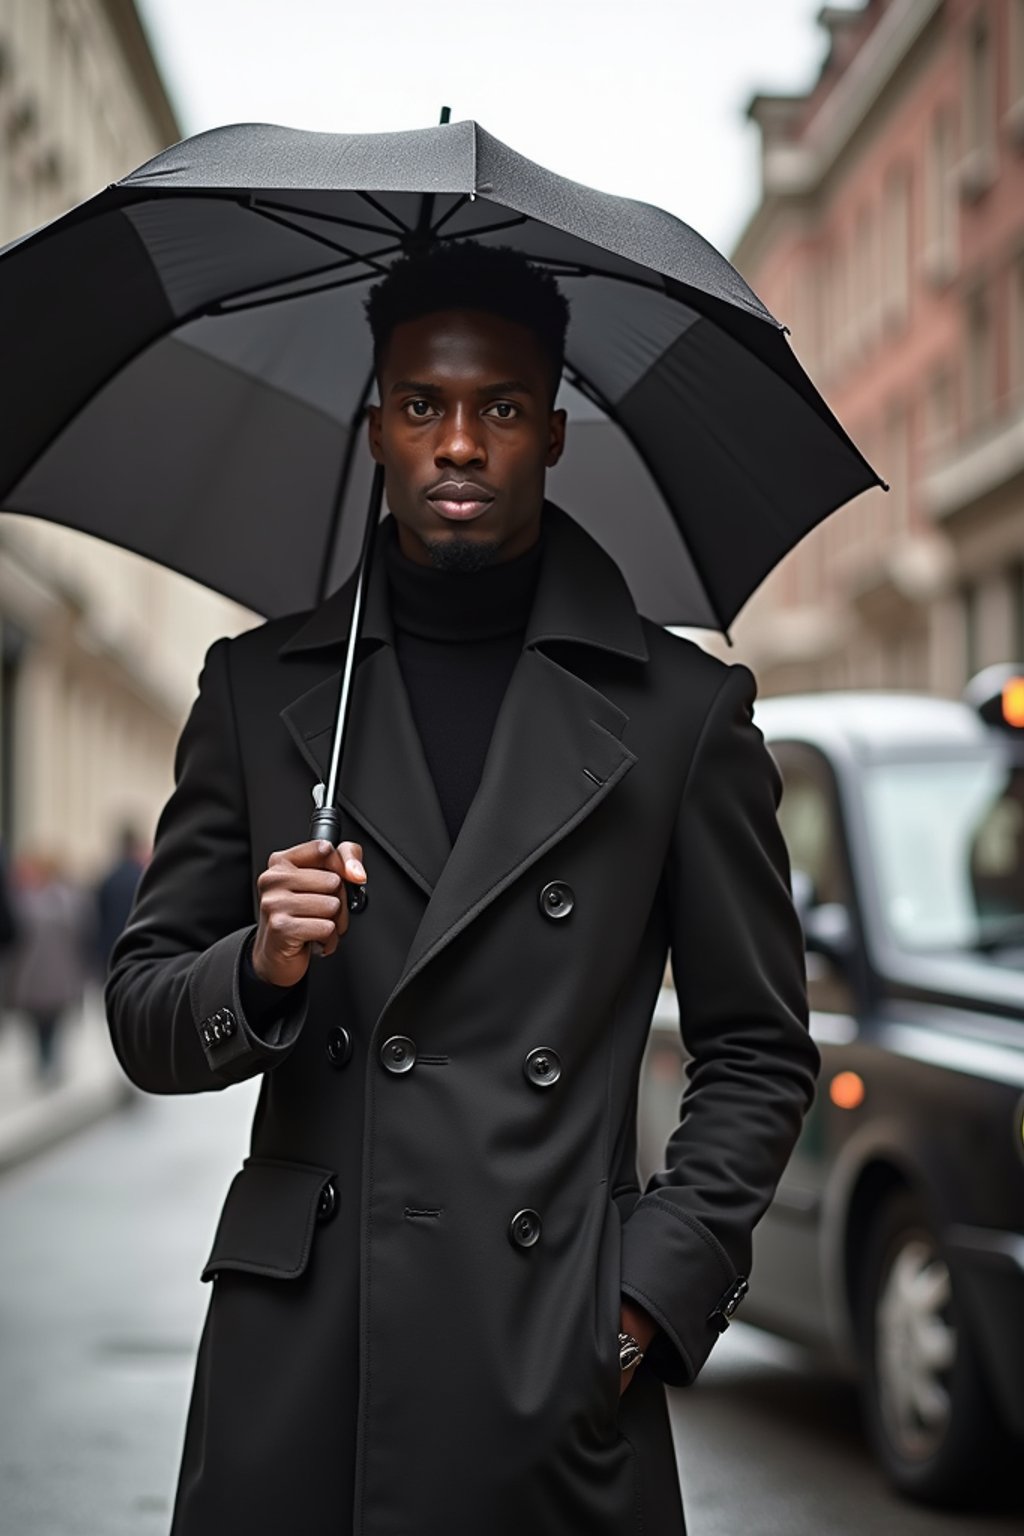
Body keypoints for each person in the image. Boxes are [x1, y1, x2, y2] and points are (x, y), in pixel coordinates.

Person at [106, 241, 818, 1536]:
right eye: (424, 405)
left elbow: (758, 1050)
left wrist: (647, 1295)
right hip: (305, 1368)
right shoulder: (259, 691)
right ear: (376, 424)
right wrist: (255, 968)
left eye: (497, 409)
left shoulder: (680, 713)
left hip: (549, 1360)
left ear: (549, 432)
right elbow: (145, 1012)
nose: (458, 443)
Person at [10, 852, 91, 1081]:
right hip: (42, 972)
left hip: (50, 971)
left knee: (51, 1020)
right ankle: (46, 1060)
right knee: (41, 1020)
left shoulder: (36, 900)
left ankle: (48, 1060)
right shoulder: (27, 899)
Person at [94, 825, 147, 977]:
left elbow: (100, 916)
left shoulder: (109, 879)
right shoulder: (141, 877)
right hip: (135, 947)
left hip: (112, 947)